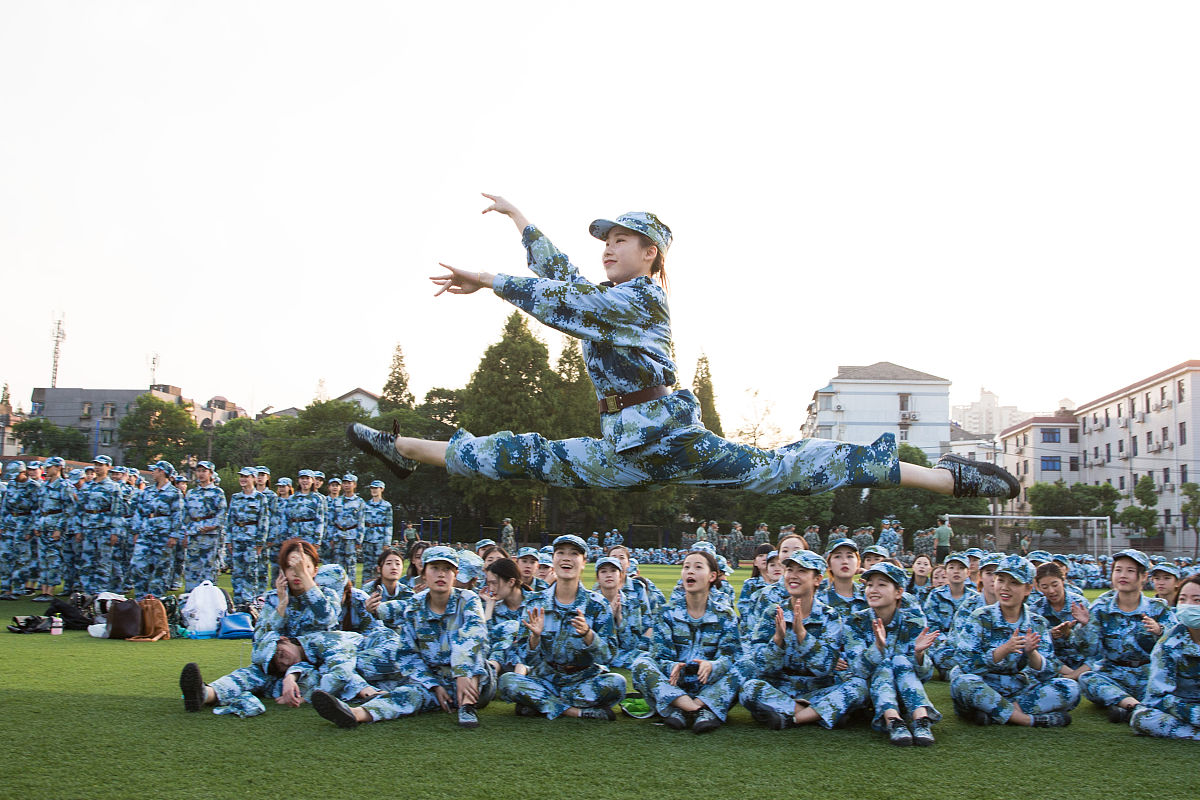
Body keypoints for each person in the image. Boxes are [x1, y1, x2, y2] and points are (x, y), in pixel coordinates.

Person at [348, 196, 1019, 504]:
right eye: (604, 239)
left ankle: (947, 478)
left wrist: (491, 279)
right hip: (622, 448)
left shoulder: (643, 300)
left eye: (621, 240)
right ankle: (399, 450)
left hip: (671, 440)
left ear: (650, 254)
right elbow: (562, 281)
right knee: (528, 457)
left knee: (798, 466)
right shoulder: (611, 293)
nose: (608, 248)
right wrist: (524, 222)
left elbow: (568, 304)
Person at [312, 546, 496, 729]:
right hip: (433, 678)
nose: (441, 575)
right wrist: (433, 685)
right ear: (423, 574)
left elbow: (473, 638)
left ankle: (467, 707)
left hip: (473, 675)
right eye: (435, 568)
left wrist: (462, 673)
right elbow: (407, 654)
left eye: (447, 569)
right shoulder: (415, 605)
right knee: (407, 695)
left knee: (474, 663)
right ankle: (355, 714)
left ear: (455, 574)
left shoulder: (468, 600)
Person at [498, 534, 625, 720]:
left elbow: (608, 656)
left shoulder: (598, 605)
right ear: (553, 559)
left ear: (584, 562)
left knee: (617, 683)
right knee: (507, 681)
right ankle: (576, 711)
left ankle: (540, 704)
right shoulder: (535, 603)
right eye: (560, 553)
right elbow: (526, 659)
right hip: (546, 678)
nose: (566, 558)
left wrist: (589, 635)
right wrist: (535, 639)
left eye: (574, 554)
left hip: (583, 679)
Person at [950, 555, 1079, 727]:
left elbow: (1049, 672)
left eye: (1014, 583)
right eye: (1000, 580)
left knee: (1070, 687)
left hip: (1021, 689)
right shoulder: (980, 617)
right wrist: (1002, 651)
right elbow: (965, 663)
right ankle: (1027, 720)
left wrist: (1032, 654)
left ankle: (999, 713)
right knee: (961, 681)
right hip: (985, 685)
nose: (1005, 588)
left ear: (1028, 589)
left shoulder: (1037, 623)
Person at [741, 551, 863, 729]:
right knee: (749, 689)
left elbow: (825, 667)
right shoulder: (773, 612)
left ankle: (790, 717)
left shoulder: (829, 615)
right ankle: (817, 714)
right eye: (790, 570)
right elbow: (762, 666)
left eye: (802, 571)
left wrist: (802, 635)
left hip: (817, 688)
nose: (793, 576)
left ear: (817, 579)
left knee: (858, 686)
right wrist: (778, 640)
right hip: (780, 686)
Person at [631, 549, 740, 733]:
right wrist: (671, 666)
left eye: (698, 567)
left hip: (710, 685)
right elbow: (659, 656)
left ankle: (693, 707)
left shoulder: (725, 615)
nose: (690, 571)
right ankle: (691, 708)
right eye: (686, 567)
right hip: (675, 683)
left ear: (712, 576)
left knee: (747, 665)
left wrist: (713, 666)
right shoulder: (666, 612)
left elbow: (730, 656)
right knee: (641, 663)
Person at [1073, 549, 1176, 723]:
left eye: (1130, 571)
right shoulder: (1101, 607)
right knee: (1087, 679)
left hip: (1149, 674)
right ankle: (1138, 708)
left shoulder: (1158, 608)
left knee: (1172, 686)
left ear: (1143, 577)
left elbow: (1176, 641)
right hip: (1113, 674)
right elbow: (1088, 651)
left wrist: (1160, 631)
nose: (1123, 575)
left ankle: (1124, 707)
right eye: (1118, 570)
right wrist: (1084, 626)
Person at [844, 562, 940, 746]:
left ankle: (921, 719)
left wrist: (919, 655)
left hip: (906, 694)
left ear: (898, 592)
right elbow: (857, 670)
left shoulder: (913, 620)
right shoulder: (855, 621)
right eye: (869, 584)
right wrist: (878, 648)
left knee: (900, 660)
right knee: (885, 663)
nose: (873, 589)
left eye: (882, 584)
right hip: (870, 695)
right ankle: (893, 721)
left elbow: (925, 675)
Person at [1131, 574, 1200, 739]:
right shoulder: (1168, 643)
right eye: (1183, 599)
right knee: (1143, 718)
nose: (1188, 605)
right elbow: (1158, 696)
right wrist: (1194, 714)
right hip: (1183, 708)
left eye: (1197, 600)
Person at [127, 460, 182, 597]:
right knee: (138, 564)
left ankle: (156, 600)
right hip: (146, 533)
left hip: (163, 535)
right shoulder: (148, 491)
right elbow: (139, 511)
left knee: (160, 568)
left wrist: (174, 535)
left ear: (162, 472)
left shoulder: (174, 493)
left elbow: (178, 515)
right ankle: (141, 598)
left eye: (155, 470)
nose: (152, 473)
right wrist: (136, 531)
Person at [1030, 562, 1089, 679]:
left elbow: (1091, 639)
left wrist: (1070, 634)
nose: (1051, 591)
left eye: (1055, 584)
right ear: (1038, 587)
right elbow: (1036, 645)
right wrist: (1050, 635)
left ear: (1063, 580)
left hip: (1080, 658)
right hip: (1054, 660)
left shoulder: (1080, 603)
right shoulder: (1035, 609)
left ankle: (1072, 676)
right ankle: (1076, 676)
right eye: (1045, 587)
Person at [225, 467, 270, 605]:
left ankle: (249, 602)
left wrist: (260, 543)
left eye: (247, 476)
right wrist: (228, 540)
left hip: (252, 540)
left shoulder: (260, 497)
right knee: (237, 572)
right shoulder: (236, 497)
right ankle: (238, 602)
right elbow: (230, 520)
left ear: (254, 479)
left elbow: (264, 521)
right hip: (237, 538)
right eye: (241, 477)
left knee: (250, 572)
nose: (243, 479)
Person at [32, 457, 75, 601]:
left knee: (53, 558)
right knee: (43, 558)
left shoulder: (64, 486)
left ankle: (50, 592)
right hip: (44, 524)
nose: (46, 469)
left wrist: (60, 528)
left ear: (58, 468)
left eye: (49, 467)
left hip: (56, 525)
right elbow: (40, 507)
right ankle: (43, 590)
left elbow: (69, 509)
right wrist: (37, 525)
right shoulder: (44, 485)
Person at [594, 556, 647, 668]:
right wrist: (609, 618)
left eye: (613, 571)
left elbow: (631, 644)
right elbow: (594, 643)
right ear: (598, 578)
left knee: (646, 657)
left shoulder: (632, 603)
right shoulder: (591, 602)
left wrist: (619, 618)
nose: (609, 575)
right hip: (597, 653)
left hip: (623, 653)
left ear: (621, 576)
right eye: (603, 571)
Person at [181, 460, 226, 590]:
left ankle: (208, 595)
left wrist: (213, 525)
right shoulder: (192, 493)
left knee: (209, 566)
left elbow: (222, 512)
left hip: (209, 535)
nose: (200, 474)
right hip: (193, 533)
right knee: (191, 566)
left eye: (204, 471)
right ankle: (190, 595)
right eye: (198, 471)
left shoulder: (217, 492)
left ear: (211, 473)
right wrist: (185, 532)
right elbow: (185, 514)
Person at [361, 480, 393, 586]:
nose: (374, 490)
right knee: (367, 566)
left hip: (380, 539)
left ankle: (379, 588)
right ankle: (365, 588)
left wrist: (387, 542)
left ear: (382, 489)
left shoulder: (387, 506)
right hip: (367, 539)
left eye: (376, 488)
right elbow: (361, 523)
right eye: (372, 488)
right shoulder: (365, 505)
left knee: (379, 566)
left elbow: (389, 524)